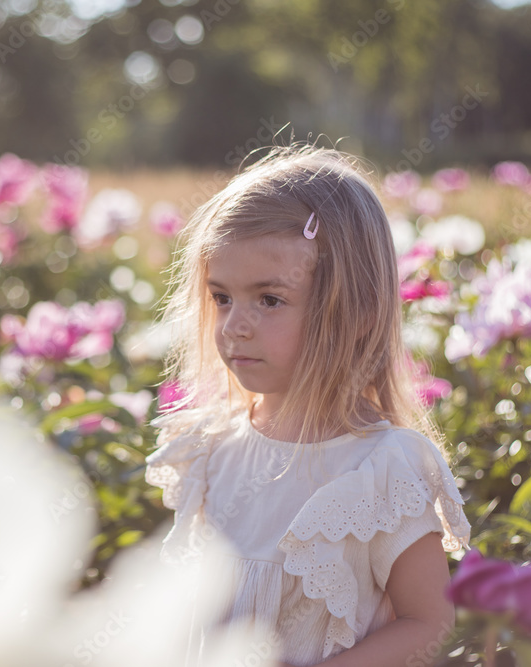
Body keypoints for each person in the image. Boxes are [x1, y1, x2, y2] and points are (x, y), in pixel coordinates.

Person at [145, 146, 471, 666]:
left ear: (356, 311)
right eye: (222, 297)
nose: (235, 326)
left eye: (269, 299)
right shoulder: (210, 449)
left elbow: (428, 623)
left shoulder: (382, 467)